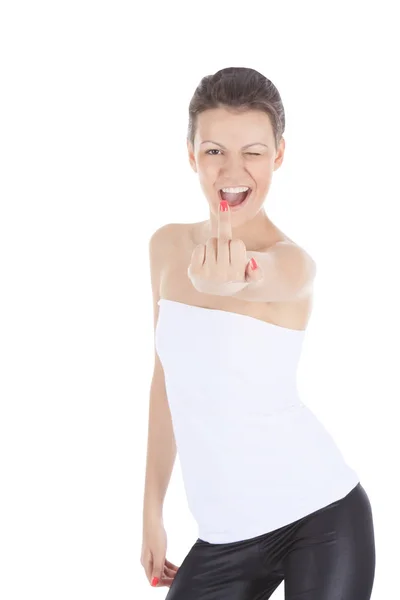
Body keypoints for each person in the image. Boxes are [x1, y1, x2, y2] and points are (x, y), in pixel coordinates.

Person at [141, 66, 376, 599]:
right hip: (225, 538)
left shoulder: (291, 262)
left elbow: (267, 280)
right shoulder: (165, 248)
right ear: (191, 154)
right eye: (214, 151)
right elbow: (165, 381)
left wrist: (231, 282)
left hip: (323, 517)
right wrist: (152, 511)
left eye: (253, 151)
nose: (233, 169)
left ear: (279, 155)